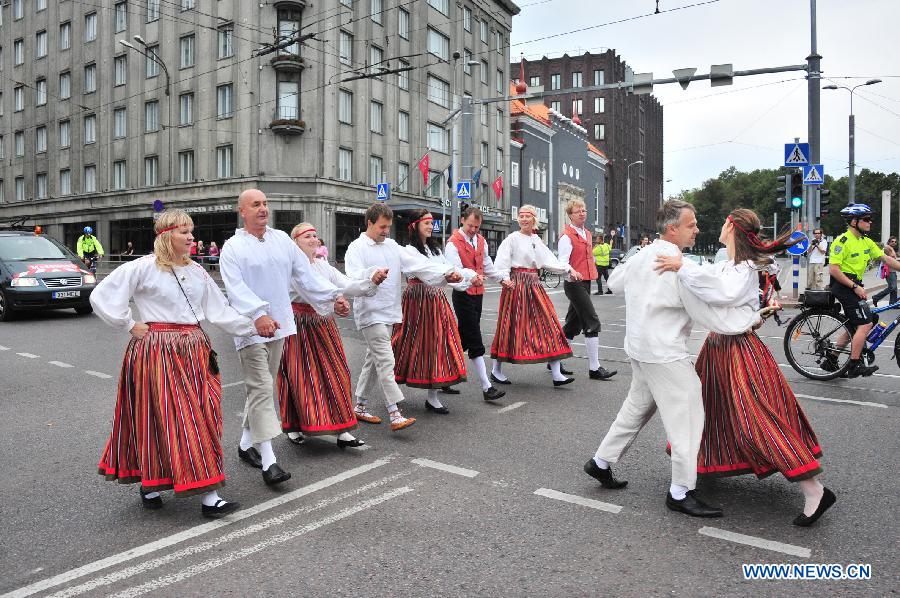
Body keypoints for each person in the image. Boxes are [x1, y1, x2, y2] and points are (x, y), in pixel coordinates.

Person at [656, 208, 835, 527]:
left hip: (738, 349)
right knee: (708, 410)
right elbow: (710, 287)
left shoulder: (743, 267)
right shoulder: (730, 263)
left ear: (733, 228)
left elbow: (721, 294)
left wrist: (683, 267)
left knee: (756, 418)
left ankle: (814, 490)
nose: (719, 226)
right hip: (720, 347)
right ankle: (698, 470)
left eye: (725, 222)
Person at [583, 200, 760, 518]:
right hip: (664, 353)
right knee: (689, 419)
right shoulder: (677, 264)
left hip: (639, 348)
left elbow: (614, 282)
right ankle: (681, 491)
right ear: (672, 228)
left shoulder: (646, 254)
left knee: (636, 410)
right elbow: (707, 311)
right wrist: (749, 320)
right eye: (691, 225)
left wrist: (639, 262)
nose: (697, 230)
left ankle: (601, 462)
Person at [90, 209, 259, 518]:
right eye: (185, 232)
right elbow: (102, 295)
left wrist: (252, 326)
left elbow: (219, 309)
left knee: (200, 416)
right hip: (158, 351)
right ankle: (204, 495)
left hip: (195, 350)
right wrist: (128, 324)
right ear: (167, 236)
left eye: (191, 231)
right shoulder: (142, 268)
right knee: (168, 417)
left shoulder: (197, 271)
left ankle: (160, 484)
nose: (192, 237)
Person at [220, 189, 346, 487]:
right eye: (255, 204)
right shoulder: (232, 247)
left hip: (280, 327)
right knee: (262, 388)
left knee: (260, 390)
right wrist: (257, 314)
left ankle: (245, 444)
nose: (263, 209)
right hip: (251, 329)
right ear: (242, 211)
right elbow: (234, 287)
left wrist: (334, 295)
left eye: (265, 203)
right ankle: (269, 461)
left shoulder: (280, 241)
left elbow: (306, 277)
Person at [344, 203, 464, 431]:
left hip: (389, 311)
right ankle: (394, 412)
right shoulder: (356, 248)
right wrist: (372, 275)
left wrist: (447, 273)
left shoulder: (391, 246)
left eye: (388, 227)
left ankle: (359, 406)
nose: (385, 231)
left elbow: (418, 265)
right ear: (369, 223)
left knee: (374, 359)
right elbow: (352, 275)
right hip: (370, 312)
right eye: (381, 226)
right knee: (386, 359)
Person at [277, 223, 379, 449]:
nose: (313, 239)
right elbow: (311, 290)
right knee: (300, 376)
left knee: (337, 371)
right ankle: (294, 425)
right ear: (295, 243)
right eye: (307, 236)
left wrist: (370, 282)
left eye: (315, 235)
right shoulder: (292, 267)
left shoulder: (323, 265)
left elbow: (345, 283)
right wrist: (336, 300)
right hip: (299, 324)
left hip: (323, 323)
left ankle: (343, 428)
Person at [393, 209, 475, 414]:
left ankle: (433, 396)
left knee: (437, 345)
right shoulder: (408, 251)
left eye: (431, 223)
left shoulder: (436, 250)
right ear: (414, 226)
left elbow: (449, 268)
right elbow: (426, 270)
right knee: (404, 343)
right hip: (417, 301)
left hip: (436, 300)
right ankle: (391, 387)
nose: (431, 226)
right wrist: (449, 274)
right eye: (426, 223)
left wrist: (469, 276)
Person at [490, 205, 581, 387]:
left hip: (534, 285)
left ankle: (556, 374)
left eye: (527, 216)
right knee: (510, 327)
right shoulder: (511, 239)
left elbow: (550, 261)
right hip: (516, 285)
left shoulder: (536, 240)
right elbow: (502, 261)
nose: (524, 219)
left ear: (533, 220)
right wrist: (504, 279)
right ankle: (496, 370)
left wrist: (569, 270)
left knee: (549, 325)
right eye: (521, 216)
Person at [825, 203, 900, 377]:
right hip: (843, 285)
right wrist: (855, 287)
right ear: (854, 221)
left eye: (870, 220)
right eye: (866, 219)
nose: (870, 223)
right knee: (865, 323)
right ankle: (854, 365)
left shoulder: (866, 242)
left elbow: (887, 260)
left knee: (864, 320)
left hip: (855, 285)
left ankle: (831, 359)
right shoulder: (842, 241)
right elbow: (834, 270)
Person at [444, 206, 507, 402]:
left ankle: (442, 375)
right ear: (462, 220)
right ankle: (487, 387)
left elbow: (486, 264)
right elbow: (455, 270)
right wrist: (470, 279)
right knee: (475, 338)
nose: (473, 229)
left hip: (478, 294)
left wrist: (501, 279)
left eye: (477, 227)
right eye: (471, 225)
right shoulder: (452, 243)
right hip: (462, 294)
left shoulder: (480, 240)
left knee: (463, 338)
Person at [557, 199, 617, 381]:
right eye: (578, 211)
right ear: (570, 215)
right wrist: (571, 273)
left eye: (584, 210)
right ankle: (594, 368)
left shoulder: (588, 234)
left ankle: (555, 360)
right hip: (573, 282)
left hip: (586, 281)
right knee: (592, 320)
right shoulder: (567, 236)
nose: (582, 213)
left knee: (572, 325)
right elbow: (563, 262)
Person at [872, 236, 898, 307]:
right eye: (892, 241)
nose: (894, 243)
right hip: (889, 270)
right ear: (889, 241)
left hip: (892, 270)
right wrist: (892, 250)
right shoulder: (887, 247)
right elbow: (892, 257)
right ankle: (876, 297)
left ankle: (893, 303)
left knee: (894, 288)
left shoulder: (890, 248)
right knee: (892, 287)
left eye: (895, 242)